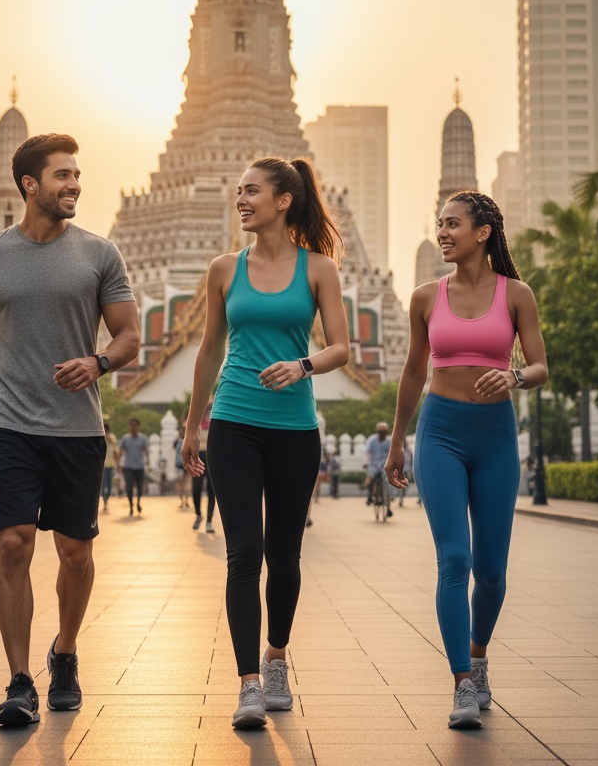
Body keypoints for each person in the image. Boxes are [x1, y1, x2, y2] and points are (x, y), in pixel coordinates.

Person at [0, 133, 139, 728]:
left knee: (74, 554)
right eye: (61, 176)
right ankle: (20, 680)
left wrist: (97, 362)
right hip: (10, 424)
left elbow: (128, 335)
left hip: (77, 429)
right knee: (13, 542)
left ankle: (64, 653)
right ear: (29, 185)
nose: (74, 185)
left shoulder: (100, 255)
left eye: (77, 175)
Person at [182, 156, 350, 730]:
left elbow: (341, 349)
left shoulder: (319, 269)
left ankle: (275, 658)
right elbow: (208, 349)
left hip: (296, 430)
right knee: (242, 555)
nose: (242, 199)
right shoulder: (225, 269)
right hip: (233, 423)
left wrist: (302, 365)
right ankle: (248, 683)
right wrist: (191, 425)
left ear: (284, 200)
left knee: (285, 556)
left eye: (252, 191)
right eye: (238, 191)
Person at [384, 190, 547, 730]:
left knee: (492, 572)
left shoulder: (517, 294)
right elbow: (412, 371)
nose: (443, 232)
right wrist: (398, 439)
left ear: (483, 233)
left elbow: (541, 365)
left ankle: (478, 655)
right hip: (441, 432)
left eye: (453, 224)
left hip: (497, 436)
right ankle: (461, 683)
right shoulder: (426, 298)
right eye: (439, 224)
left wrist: (516, 375)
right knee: (454, 560)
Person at [191, 400, 216, 533]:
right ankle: (198, 515)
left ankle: (209, 521)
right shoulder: (196, 419)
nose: (208, 409)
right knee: (196, 489)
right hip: (198, 455)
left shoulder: (216, 418)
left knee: (211, 490)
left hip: (212, 454)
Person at [119, 417, 149, 517]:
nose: (133, 427)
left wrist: (148, 463)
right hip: (128, 466)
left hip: (139, 466)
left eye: (135, 425)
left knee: (140, 487)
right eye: (132, 425)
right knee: (129, 487)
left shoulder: (143, 438)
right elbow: (120, 451)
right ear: (129, 426)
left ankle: (138, 502)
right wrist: (118, 464)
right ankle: (131, 505)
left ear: (138, 426)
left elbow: (146, 451)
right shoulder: (125, 439)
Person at [363, 421, 393, 517]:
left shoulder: (390, 441)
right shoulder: (372, 440)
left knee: (388, 483)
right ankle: (370, 495)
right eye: (380, 431)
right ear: (377, 431)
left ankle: (388, 507)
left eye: (384, 431)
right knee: (370, 479)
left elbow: (393, 453)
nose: (382, 433)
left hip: (385, 466)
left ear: (387, 432)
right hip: (374, 465)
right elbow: (366, 452)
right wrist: (365, 462)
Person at [100, 420, 120, 513]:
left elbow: (116, 451)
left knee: (109, 485)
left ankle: (106, 499)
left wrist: (117, 463)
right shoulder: (100, 438)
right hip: (101, 465)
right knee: (102, 485)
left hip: (110, 465)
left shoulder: (112, 438)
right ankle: (104, 501)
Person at [174, 423, 190, 509]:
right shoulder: (190, 440)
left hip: (179, 464)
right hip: (187, 463)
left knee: (179, 483)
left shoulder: (177, 441)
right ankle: (186, 501)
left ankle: (181, 501)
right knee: (187, 482)